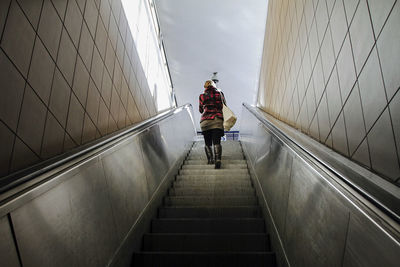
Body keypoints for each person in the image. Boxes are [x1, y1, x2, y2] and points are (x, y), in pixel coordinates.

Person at [199, 80, 225, 169]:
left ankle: (210, 160)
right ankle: (218, 159)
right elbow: (224, 105)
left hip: (205, 121)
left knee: (207, 143)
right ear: (214, 86)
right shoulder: (220, 94)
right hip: (217, 119)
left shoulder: (202, 96)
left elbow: (200, 110)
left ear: (205, 87)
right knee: (216, 142)